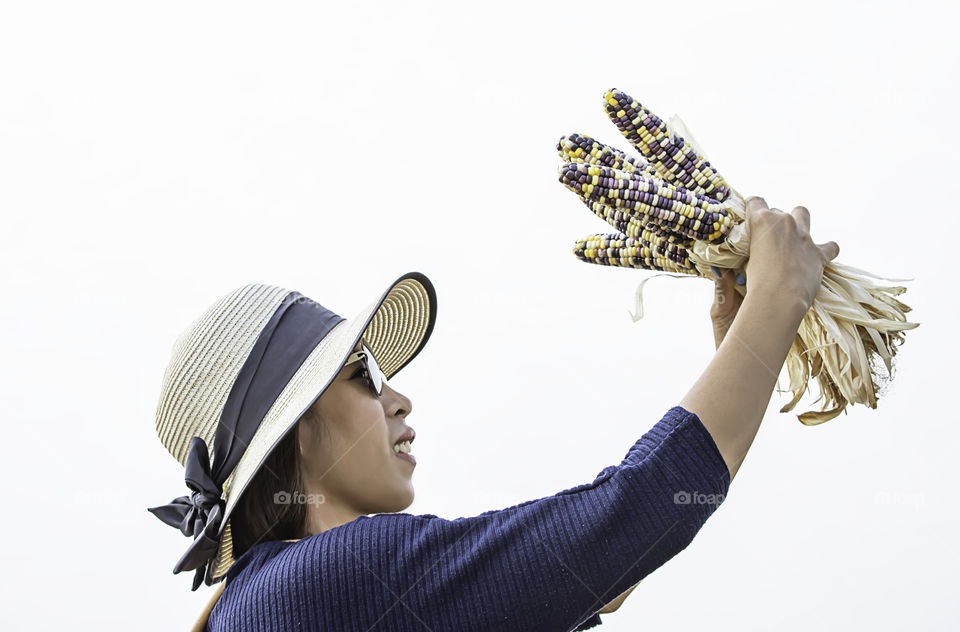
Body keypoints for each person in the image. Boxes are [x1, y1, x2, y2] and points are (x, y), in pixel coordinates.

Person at [148, 196, 839, 631]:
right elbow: (626, 518)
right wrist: (778, 298)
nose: (399, 399)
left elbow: (595, 573)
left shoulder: (264, 603)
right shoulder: (338, 578)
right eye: (364, 378)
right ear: (299, 429)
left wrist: (750, 352)